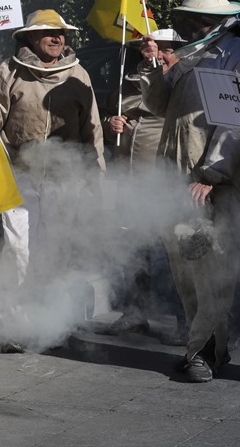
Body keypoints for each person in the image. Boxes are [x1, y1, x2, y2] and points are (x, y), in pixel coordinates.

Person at [138, 0, 240, 383]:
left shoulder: (238, 56)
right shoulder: (192, 55)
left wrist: (211, 174)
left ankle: (204, 352)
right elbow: (159, 107)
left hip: (209, 185)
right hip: (176, 179)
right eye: (189, 19)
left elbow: (239, 118)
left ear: (220, 20)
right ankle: (207, 346)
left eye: (199, 20)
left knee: (210, 266)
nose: (192, 25)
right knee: (185, 268)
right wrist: (156, 67)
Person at [0, 9, 105, 288]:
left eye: (60, 33)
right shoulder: (8, 71)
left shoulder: (78, 74)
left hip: (65, 176)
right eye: (49, 32)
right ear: (32, 38)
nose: (57, 38)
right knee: (17, 245)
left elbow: (92, 128)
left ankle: (49, 311)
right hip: (19, 172)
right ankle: (16, 309)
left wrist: (97, 176)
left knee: (55, 245)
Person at [101, 30, 187, 344]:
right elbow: (111, 120)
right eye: (155, 49)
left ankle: (186, 320)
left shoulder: (180, 83)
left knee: (174, 253)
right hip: (129, 180)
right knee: (135, 250)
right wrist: (113, 123)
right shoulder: (129, 83)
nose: (159, 55)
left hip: (166, 181)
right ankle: (135, 314)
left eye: (166, 50)